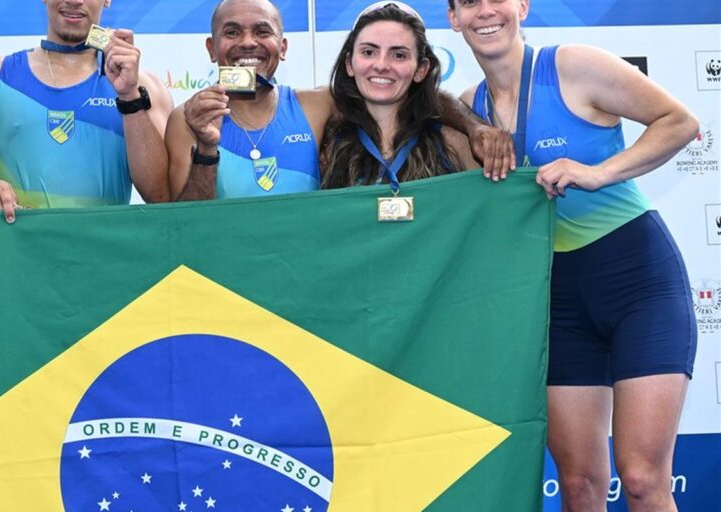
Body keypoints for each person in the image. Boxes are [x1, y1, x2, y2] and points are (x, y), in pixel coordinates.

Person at [447, 1, 699, 510]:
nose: (485, 11)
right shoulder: (470, 109)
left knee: (643, 478)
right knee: (579, 484)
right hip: (557, 300)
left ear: (522, 5)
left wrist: (600, 172)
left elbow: (680, 122)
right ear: (453, 18)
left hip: (637, 281)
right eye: (468, 2)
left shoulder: (572, 66)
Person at [168, 0, 510, 202]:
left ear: (282, 47)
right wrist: (207, 148)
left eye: (262, 31)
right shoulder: (187, 120)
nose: (247, 43)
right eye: (231, 32)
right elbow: (181, 223)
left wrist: (474, 126)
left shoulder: (316, 106)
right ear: (211, 48)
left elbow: (407, 92)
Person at [0, 0, 173, 220]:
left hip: (106, 243)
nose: (74, 1)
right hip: (18, 243)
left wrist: (129, 97)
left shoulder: (144, 88)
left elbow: (163, 198)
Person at [319, 2, 478, 188]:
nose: (381, 65)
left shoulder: (454, 145)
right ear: (349, 64)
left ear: (421, 69)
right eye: (368, 52)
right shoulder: (327, 148)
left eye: (399, 55)